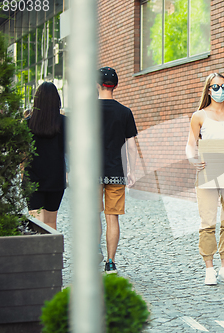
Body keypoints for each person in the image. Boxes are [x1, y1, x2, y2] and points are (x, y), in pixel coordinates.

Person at [186, 73, 224, 285]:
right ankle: (209, 269)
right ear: (208, 90)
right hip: (207, 172)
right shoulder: (199, 116)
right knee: (207, 222)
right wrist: (192, 159)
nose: (220, 90)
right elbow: (191, 143)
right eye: (216, 87)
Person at [97, 67, 138, 274]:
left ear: (97, 85)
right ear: (115, 86)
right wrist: (132, 171)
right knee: (112, 217)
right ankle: (110, 262)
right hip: (117, 172)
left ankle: (96, 252)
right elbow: (131, 146)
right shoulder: (125, 112)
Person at [25, 82, 66, 230]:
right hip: (56, 178)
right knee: (50, 223)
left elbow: (22, 154)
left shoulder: (27, 123)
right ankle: (52, 253)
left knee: (36, 223)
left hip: (32, 178)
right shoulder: (65, 123)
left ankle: (38, 253)